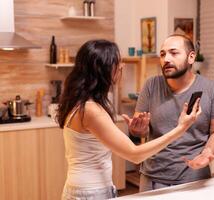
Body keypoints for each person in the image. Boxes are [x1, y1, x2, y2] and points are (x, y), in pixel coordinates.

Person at [56, 39, 202, 200]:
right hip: (90, 192)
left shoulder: (80, 102)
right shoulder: (91, 110)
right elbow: (135, 155)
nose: (121, 66)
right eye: (117, 62)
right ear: (102, 68)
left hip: (83, 189)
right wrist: (180, 129)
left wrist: (138, 130)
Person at [122, 34, 214, 192]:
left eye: (174, 53)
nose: (166, 59)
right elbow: (141, 130)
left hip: (194, 179)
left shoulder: (212, 90)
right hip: (152, 179)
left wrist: (208, 152)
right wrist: (137, 130)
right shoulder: (151, 86)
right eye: (163, 54)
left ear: (191, 57)